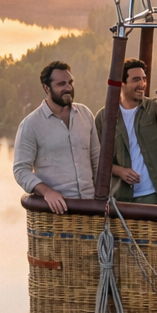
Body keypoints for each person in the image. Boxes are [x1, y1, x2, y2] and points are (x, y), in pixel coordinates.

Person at [13, 60, 98, 214]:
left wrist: (102, 197)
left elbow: (97, 160)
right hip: (56, 212)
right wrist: (47, 192)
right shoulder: (30, 124)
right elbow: (21, 170)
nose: (68, 88)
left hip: (91, 208)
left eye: (70, 82)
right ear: (46, 88)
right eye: (61, 84)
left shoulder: (85, 114)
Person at [95, 58, 157, 204]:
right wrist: (120, 171)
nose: (142, 84)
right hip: (121, 196)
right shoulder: (104, 117)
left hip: (155, 195)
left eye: (144, 79)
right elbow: (97, 158)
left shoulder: (152, 107)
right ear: (121, 83)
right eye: (136, 79)